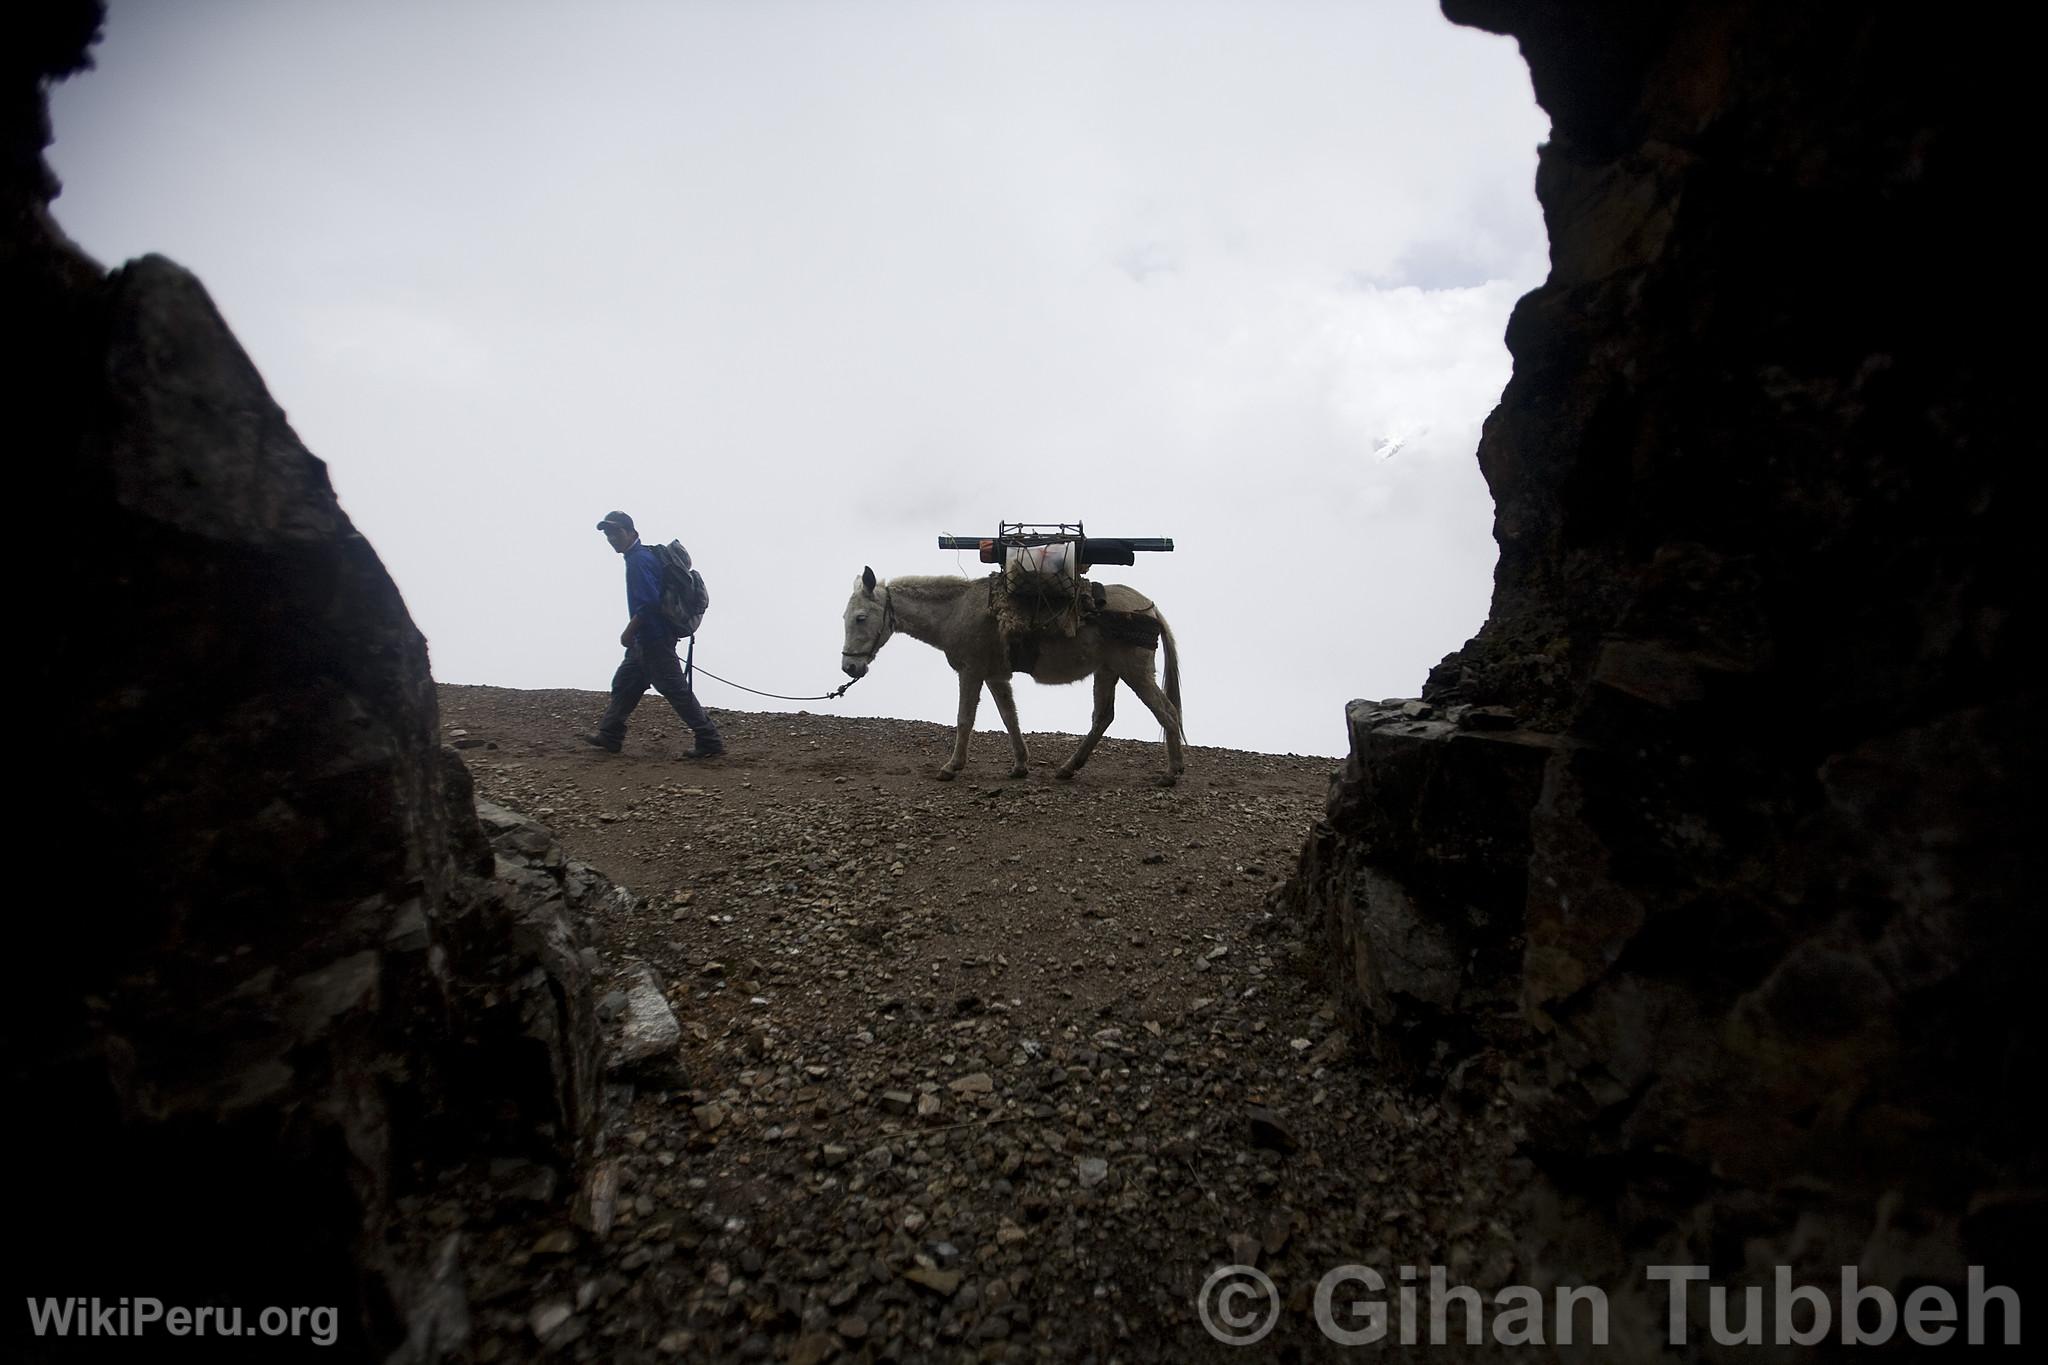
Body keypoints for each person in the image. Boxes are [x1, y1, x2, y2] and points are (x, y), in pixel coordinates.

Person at [582, 510, 726, 757]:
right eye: (608, 533)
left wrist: (628, 632)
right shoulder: (642, 556)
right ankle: (610, 735)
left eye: (616, 531)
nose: (611, 537)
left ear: (631, 532)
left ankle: (709, 741)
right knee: (625, 683)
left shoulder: (638, 559)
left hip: (654, 640)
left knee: (676, 691)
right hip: (646, 641)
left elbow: (648, 603)